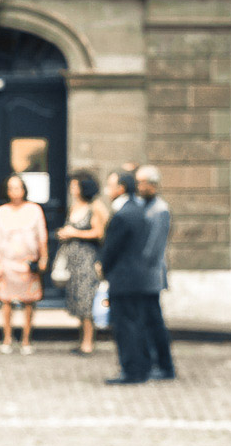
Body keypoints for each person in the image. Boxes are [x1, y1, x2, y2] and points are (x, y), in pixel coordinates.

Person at [97, 170, 158, 384]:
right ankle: (141, 367)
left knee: (125, 327)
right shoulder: (138, 210)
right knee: (137, 324)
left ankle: (131, 370)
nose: (108, 189)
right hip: (138, 277)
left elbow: (112, 249)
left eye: (111, 185)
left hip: (123, 278)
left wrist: (103, 268)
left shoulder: (122, 214)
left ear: (121, 188)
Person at [52, 170, 110, 355]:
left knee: (87, 300)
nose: (72, 188)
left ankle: (88, 343)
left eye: (75, 185)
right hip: (73, 260)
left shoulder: (96, 207)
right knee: (77, 299)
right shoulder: (75, 206)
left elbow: (99, 233)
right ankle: (82, 339)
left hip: (88, 259)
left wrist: (73, 233)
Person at [0, 172, 49, 353]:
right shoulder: (1, 212)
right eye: (11, 188)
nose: (15, 191)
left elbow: (41, 237)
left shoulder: (34, 210)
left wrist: (43, 258)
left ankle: (26, 340)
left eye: (18, 187)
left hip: (27, 262)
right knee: (6, 301)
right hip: (8, 262)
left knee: (29, 301)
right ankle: (7, 338)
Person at [135, 164, 176, 380]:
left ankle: (164, 366)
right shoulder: (144, 205)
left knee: (154, 322)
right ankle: (151, 362)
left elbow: (154, 247)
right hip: (143, 274)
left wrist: (139, 266)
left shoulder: (160, 209)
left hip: (150, 275)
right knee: (146, 321)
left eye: (142, 182)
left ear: (152, 184)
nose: (139, 186)